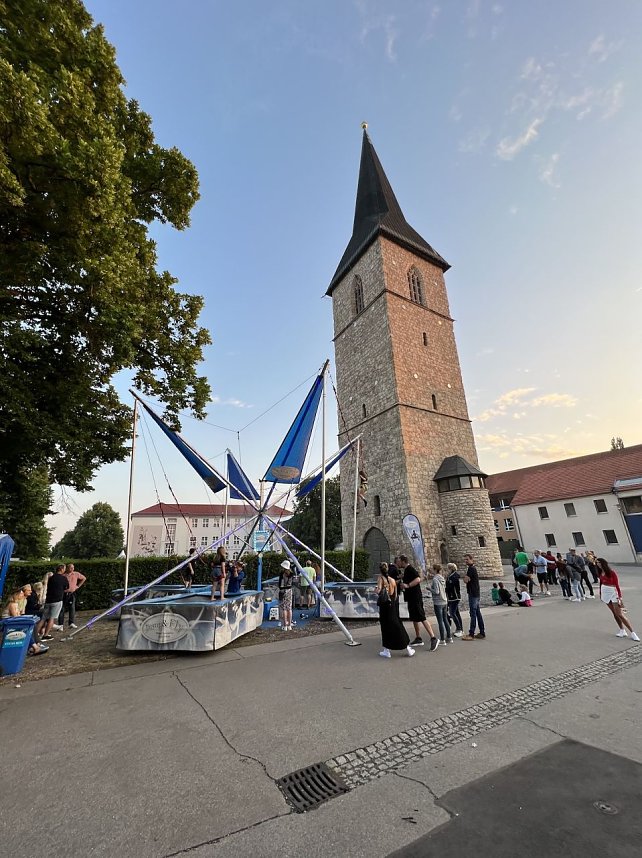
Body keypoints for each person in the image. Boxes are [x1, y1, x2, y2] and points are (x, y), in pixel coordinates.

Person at [398, 555, 439, 651]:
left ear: (403, 561)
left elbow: (418, 579)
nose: (398, 563)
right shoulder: (407, 570)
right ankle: (418, 638)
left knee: (421, 617)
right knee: (414, 618)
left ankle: (433, 638)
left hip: (415, 597)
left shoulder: (410, 569)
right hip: (411, 598)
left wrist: (407, 585)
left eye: (399, 561)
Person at [375, 562, 414, 658]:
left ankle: (387, 649)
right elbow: (395, 595)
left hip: (385, 606)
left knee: (385, 626)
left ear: (380, 570)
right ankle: (406, 647)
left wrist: (376, 589)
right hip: (393, 605)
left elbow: (378, 590)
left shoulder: (380, 578)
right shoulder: (392, 580)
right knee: (396, 624)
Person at [597, 558, 639, 641]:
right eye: (597, 562)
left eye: (599, 562)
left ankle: (633, 632)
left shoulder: (611, 572)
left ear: (603, 563)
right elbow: (601, 583)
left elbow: (617, 585)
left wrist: (620, 597)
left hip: (613, 591)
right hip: (605, 591)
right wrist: (601, 593)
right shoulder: (600, 572)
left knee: (619, 613)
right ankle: (622, 630)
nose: (598, 564)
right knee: (614, 613)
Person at [36, 564, 68, 640]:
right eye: (64, 569)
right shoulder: (63, 578)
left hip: (48, 600)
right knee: (51, 618)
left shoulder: (51, 578)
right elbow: (66, 587)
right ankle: (46, 635)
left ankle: (35, 635)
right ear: (62, 569)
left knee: (43, 618)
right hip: (57, 600)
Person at [462, 554, 486, 640]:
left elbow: (466, 580)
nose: (466, 561)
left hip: (473, 594)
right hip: (476, 593)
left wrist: (465, 577)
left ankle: (471, 634)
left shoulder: (471, 569)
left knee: (473, 613)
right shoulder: (472, 568)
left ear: (472, 559)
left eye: (467, 559)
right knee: (477, 613)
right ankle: (482, 632)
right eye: (465, 560)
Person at [57, 562, 86, 629]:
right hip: (64, 593)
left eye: (73, 567)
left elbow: (84, 578)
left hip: (72, 593)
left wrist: (78, 586)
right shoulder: (63, 575)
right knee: (62, 609)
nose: (72, 569)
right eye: (71, 567)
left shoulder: (76, 574)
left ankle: (71, 623)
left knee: (72, 608)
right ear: (67, 568)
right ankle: (60, 624)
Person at [429, 564, 453, 645]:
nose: (431, 571)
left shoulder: (435, 579)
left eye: (432, 569)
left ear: (435, 570)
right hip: (444, 601)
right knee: (445, 619)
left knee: (440, 621)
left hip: (438, 602)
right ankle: (449, 637)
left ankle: (442, 639)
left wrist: (429, 589)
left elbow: (436, 591)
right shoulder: (442, 578)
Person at [445, 563, 463, 637]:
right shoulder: (451, 576)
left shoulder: (453, 577)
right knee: (456, 613)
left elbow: (450, 587)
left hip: (454, 597)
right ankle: (460, 629)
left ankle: (459, 629)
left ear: (451, 569)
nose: (447, 570)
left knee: (452, 613)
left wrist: (444, 588)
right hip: (452, 597)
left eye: (447, 569)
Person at [278, 559, 295, 631]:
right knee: (289, 608)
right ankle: (289, 625)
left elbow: (280, 584)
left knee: (284, 608)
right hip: (289, 591)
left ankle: (285, 625)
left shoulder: (282, 574)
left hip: (283, 591)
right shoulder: (291, 574)